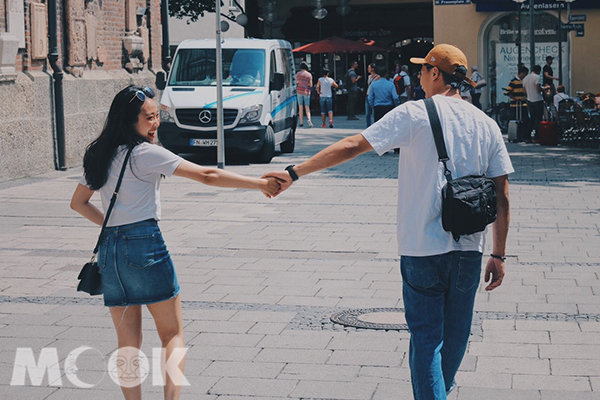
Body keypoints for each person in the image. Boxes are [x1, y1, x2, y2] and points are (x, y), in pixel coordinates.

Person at [263, 44, 512, 400]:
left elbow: (352, 145)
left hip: (422, 246)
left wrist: (295, 172)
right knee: (456, 335)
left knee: (427, 339)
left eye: (422, 70)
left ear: (435, 73)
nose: (419, 77)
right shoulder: (486, 124)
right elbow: (502, 193)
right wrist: (499, 254)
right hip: (469, 250)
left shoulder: (414, 113)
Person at [70, 85, 279, 400]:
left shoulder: (98, 153)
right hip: (144, 244)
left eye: (157, 117)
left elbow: (78, 203)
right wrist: (260, 184)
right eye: (148, 118)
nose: (155, 124)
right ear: (129, 121)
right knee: (172, 334)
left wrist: (112, 227)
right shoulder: (144, 153)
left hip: (111, 250)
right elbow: (207, 175)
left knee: (128, 341)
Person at [505, 65, 529, 142]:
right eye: (525, 74)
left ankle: (522, 136)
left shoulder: (523, 81)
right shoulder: (513, 81)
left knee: (524, 120)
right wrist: (515, 98)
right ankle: (516, 135)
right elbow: (508, 92)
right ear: (522, 73)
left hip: (523, 104)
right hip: (516, 104)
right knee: (516, 120)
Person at [522, 65, 544, 142]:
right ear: (538, 71)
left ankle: (527, 136)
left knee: (531, 119)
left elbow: (524, 91)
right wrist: (544, 89)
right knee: (539, 119)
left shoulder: (525, 78)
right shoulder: (537, 77)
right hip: (537, 100)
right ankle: (537, 137)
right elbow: (538, 89)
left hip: (529, 100)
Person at [296, 61, 313, 128]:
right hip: (306, 92)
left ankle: (301, 122)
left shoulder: (298, 74)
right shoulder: (309, 75)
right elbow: (311, 85)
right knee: (307, 107)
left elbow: (296, 82)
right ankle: (309, 119)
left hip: (299, 91)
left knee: (300, 107)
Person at [365, 63, 380, 127]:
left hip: (374, 95)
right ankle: (368, 126)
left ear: (372, 69)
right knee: (367, 113)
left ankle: (375, 125)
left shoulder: (378, 77)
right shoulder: (369, 77)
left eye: (369, 67)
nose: (368, 69)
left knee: (374, 112)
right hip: (368, 94)